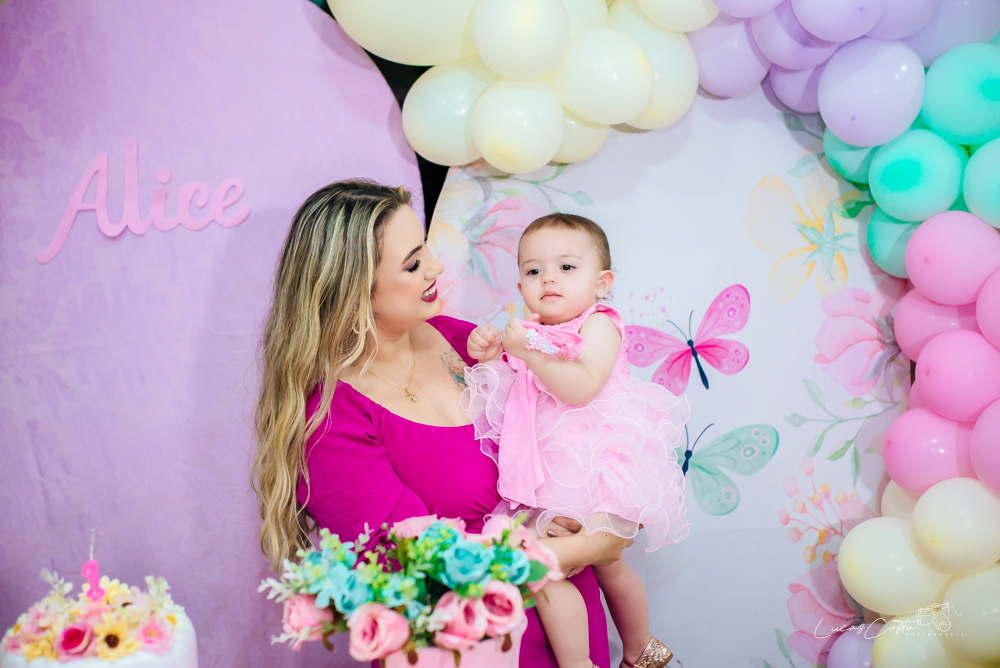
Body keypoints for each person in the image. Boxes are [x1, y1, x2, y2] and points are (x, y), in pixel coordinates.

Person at [251, 180, 631, 668]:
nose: (435, 267)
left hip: (577, 633)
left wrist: (593, 504)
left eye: (426, 248)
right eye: (413, 264)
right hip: (479, 652)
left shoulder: (461, 340)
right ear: (352, 290)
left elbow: (569, 429)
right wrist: (590, 544)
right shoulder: (329, 421)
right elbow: (413, 570)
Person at [463, 214, 691, 668]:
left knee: (598, 564)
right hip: (555, 473)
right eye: (534, 270)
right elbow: (514, 397)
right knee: (552, 571)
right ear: (521, 285)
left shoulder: (599, 323)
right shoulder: (529, 332)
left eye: (566, 267)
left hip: (599, 468)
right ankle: (604, 657)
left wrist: (527, 351)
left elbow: (582, 386)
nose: (548, 278)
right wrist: (491, 357)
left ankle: (634, 647)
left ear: (601, 283)